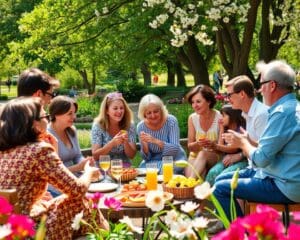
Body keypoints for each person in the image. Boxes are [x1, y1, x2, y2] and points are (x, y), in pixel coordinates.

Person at [0, 97, 108, 239]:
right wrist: (88, 173)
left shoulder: (6, 150)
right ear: (34, 124)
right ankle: (109, 236)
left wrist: (54, 149)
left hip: (8, 228)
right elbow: (77, 190)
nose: (48, 120)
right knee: (81, 200)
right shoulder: (39, 150)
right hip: (31, 231)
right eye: (45, 116)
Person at [214, 60, 300, 221]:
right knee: (220, 179)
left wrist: (243, 143)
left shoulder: (282, 113)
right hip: (279, 175)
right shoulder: (292, 107)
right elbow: (270, 150)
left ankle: (241, 235)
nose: (260, 90)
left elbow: (261, 159)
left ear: (272, 85)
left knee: (220, 189)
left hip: (284, 184)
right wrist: (247, 141)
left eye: (261, 84)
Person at [47, 96, 95, 196]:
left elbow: (77, 156)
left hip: (74, 180)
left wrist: (84, 162)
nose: (74, 117)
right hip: (56, 187)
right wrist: (78, 167)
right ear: (56, 114)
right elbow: (52, 173)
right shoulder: (47, 136)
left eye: (74, 113)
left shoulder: (71, 130)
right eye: (70, 113)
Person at [225, 75, 269, 168]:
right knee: (219, 179)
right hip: (254, 168)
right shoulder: (247, 113)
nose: (227, 99)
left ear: (242, 94)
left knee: (220, 181)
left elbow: (264, 155)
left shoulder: (261, 114)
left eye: (229, 95)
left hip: (263, 173)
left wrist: (242, 143)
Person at [137, 94, 186, 174]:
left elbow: (174, 149)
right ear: (144, 114)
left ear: (161, 110)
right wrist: (145, 146)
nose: (153, 115)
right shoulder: (141, 126)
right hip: (153, 161)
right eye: (149, 113)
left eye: (156, 111)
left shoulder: (171, 121)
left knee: (165, 171)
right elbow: (146, 158)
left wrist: (155, 141)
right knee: (142, 172)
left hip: (174, 159)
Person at [184, 85, 222, 178]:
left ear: (208, 101)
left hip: (213, 156)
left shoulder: (219, 117)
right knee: (199, 174)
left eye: (198, 101)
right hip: (195, 156)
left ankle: (189, 183)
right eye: (192, 102)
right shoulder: (192, 118)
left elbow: (221, 148)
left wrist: (212, 144)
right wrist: (199, 144)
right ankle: (192, 186)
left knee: (203, 154)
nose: (194, 105)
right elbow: (190, 146)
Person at [205, 105, 247, 186]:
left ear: (232, 116)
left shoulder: (240, 129)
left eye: (223, 116)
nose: (221, 118)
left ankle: (220, 195)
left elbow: (233, 149)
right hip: (226, 161)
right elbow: (221, 147)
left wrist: (215, 146)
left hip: (242, 160)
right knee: (213, 172)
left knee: (223, 175)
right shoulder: (226, 129)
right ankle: (209, 197)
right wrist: (221, 128)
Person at [91, 92, 136, 167]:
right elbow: (95, 156)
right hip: (104, 169)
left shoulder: (129, 125)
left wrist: (125, 142)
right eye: (115, 108)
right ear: (107, 110)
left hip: (124, 168)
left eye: (121, 108)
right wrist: (112, 143)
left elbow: (132, 155)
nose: (119, 111)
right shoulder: (98, 126)